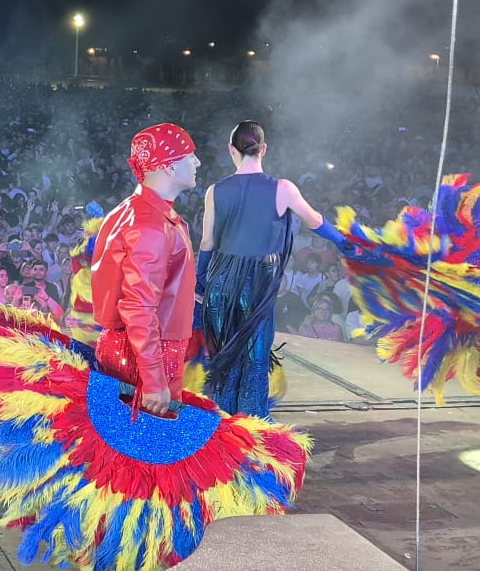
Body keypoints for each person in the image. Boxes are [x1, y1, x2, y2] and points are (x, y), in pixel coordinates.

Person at [196, 121, 326, 418]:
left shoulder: (215, 191)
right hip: (254, 285)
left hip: (221, 286)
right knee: (254, 361)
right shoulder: (283, 188)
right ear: (263, 149)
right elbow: (315, 220)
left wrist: (201, 282)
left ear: (232, 151)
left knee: (224, 359)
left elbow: (207, 241)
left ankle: (222, 434)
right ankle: (249, 433)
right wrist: (348, 241)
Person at [90, 123, 199, 414]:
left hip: (137, 350)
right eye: (190, 155)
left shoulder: (134, 210)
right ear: (169, 168)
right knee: (150, 451)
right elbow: (139, 306)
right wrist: (153, 379)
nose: (197, 162)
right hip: (147, 357)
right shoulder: (150, 224)